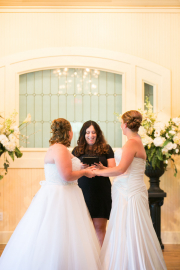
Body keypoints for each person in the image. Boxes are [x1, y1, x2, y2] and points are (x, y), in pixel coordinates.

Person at [0, 118, 102, 270]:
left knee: (65, 234)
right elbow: (66, 176)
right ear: (68, 133)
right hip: (60, 196)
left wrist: (82, 167)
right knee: (58, 233)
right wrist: (85, 172)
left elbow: (67, 168)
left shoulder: (57, 148)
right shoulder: (60, 149)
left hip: (63, 194)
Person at [93, 111, 167, 270]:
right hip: (130, 189)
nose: (121, 126)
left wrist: (97, 172)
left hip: (128, 193)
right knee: (128, 227)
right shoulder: (137, 141)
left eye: (121, 123)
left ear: (126, 125)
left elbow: (120, 170)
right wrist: (104, 168)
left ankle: (128, 264)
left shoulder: (131, 143)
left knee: (127, 228)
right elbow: (125, 168)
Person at [72, 120, 116, 246]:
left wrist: (102, 169)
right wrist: (80, 168)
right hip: (82, 191)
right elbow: (69, 171)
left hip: (101, 191)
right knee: (83, 229)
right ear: (83, 134)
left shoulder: (106, 149)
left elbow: (113, 170)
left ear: (98, 134)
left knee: (99, 227)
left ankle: (100, 262)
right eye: (87, 132)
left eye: (93, 132)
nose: (90, 135)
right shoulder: (76, 150)